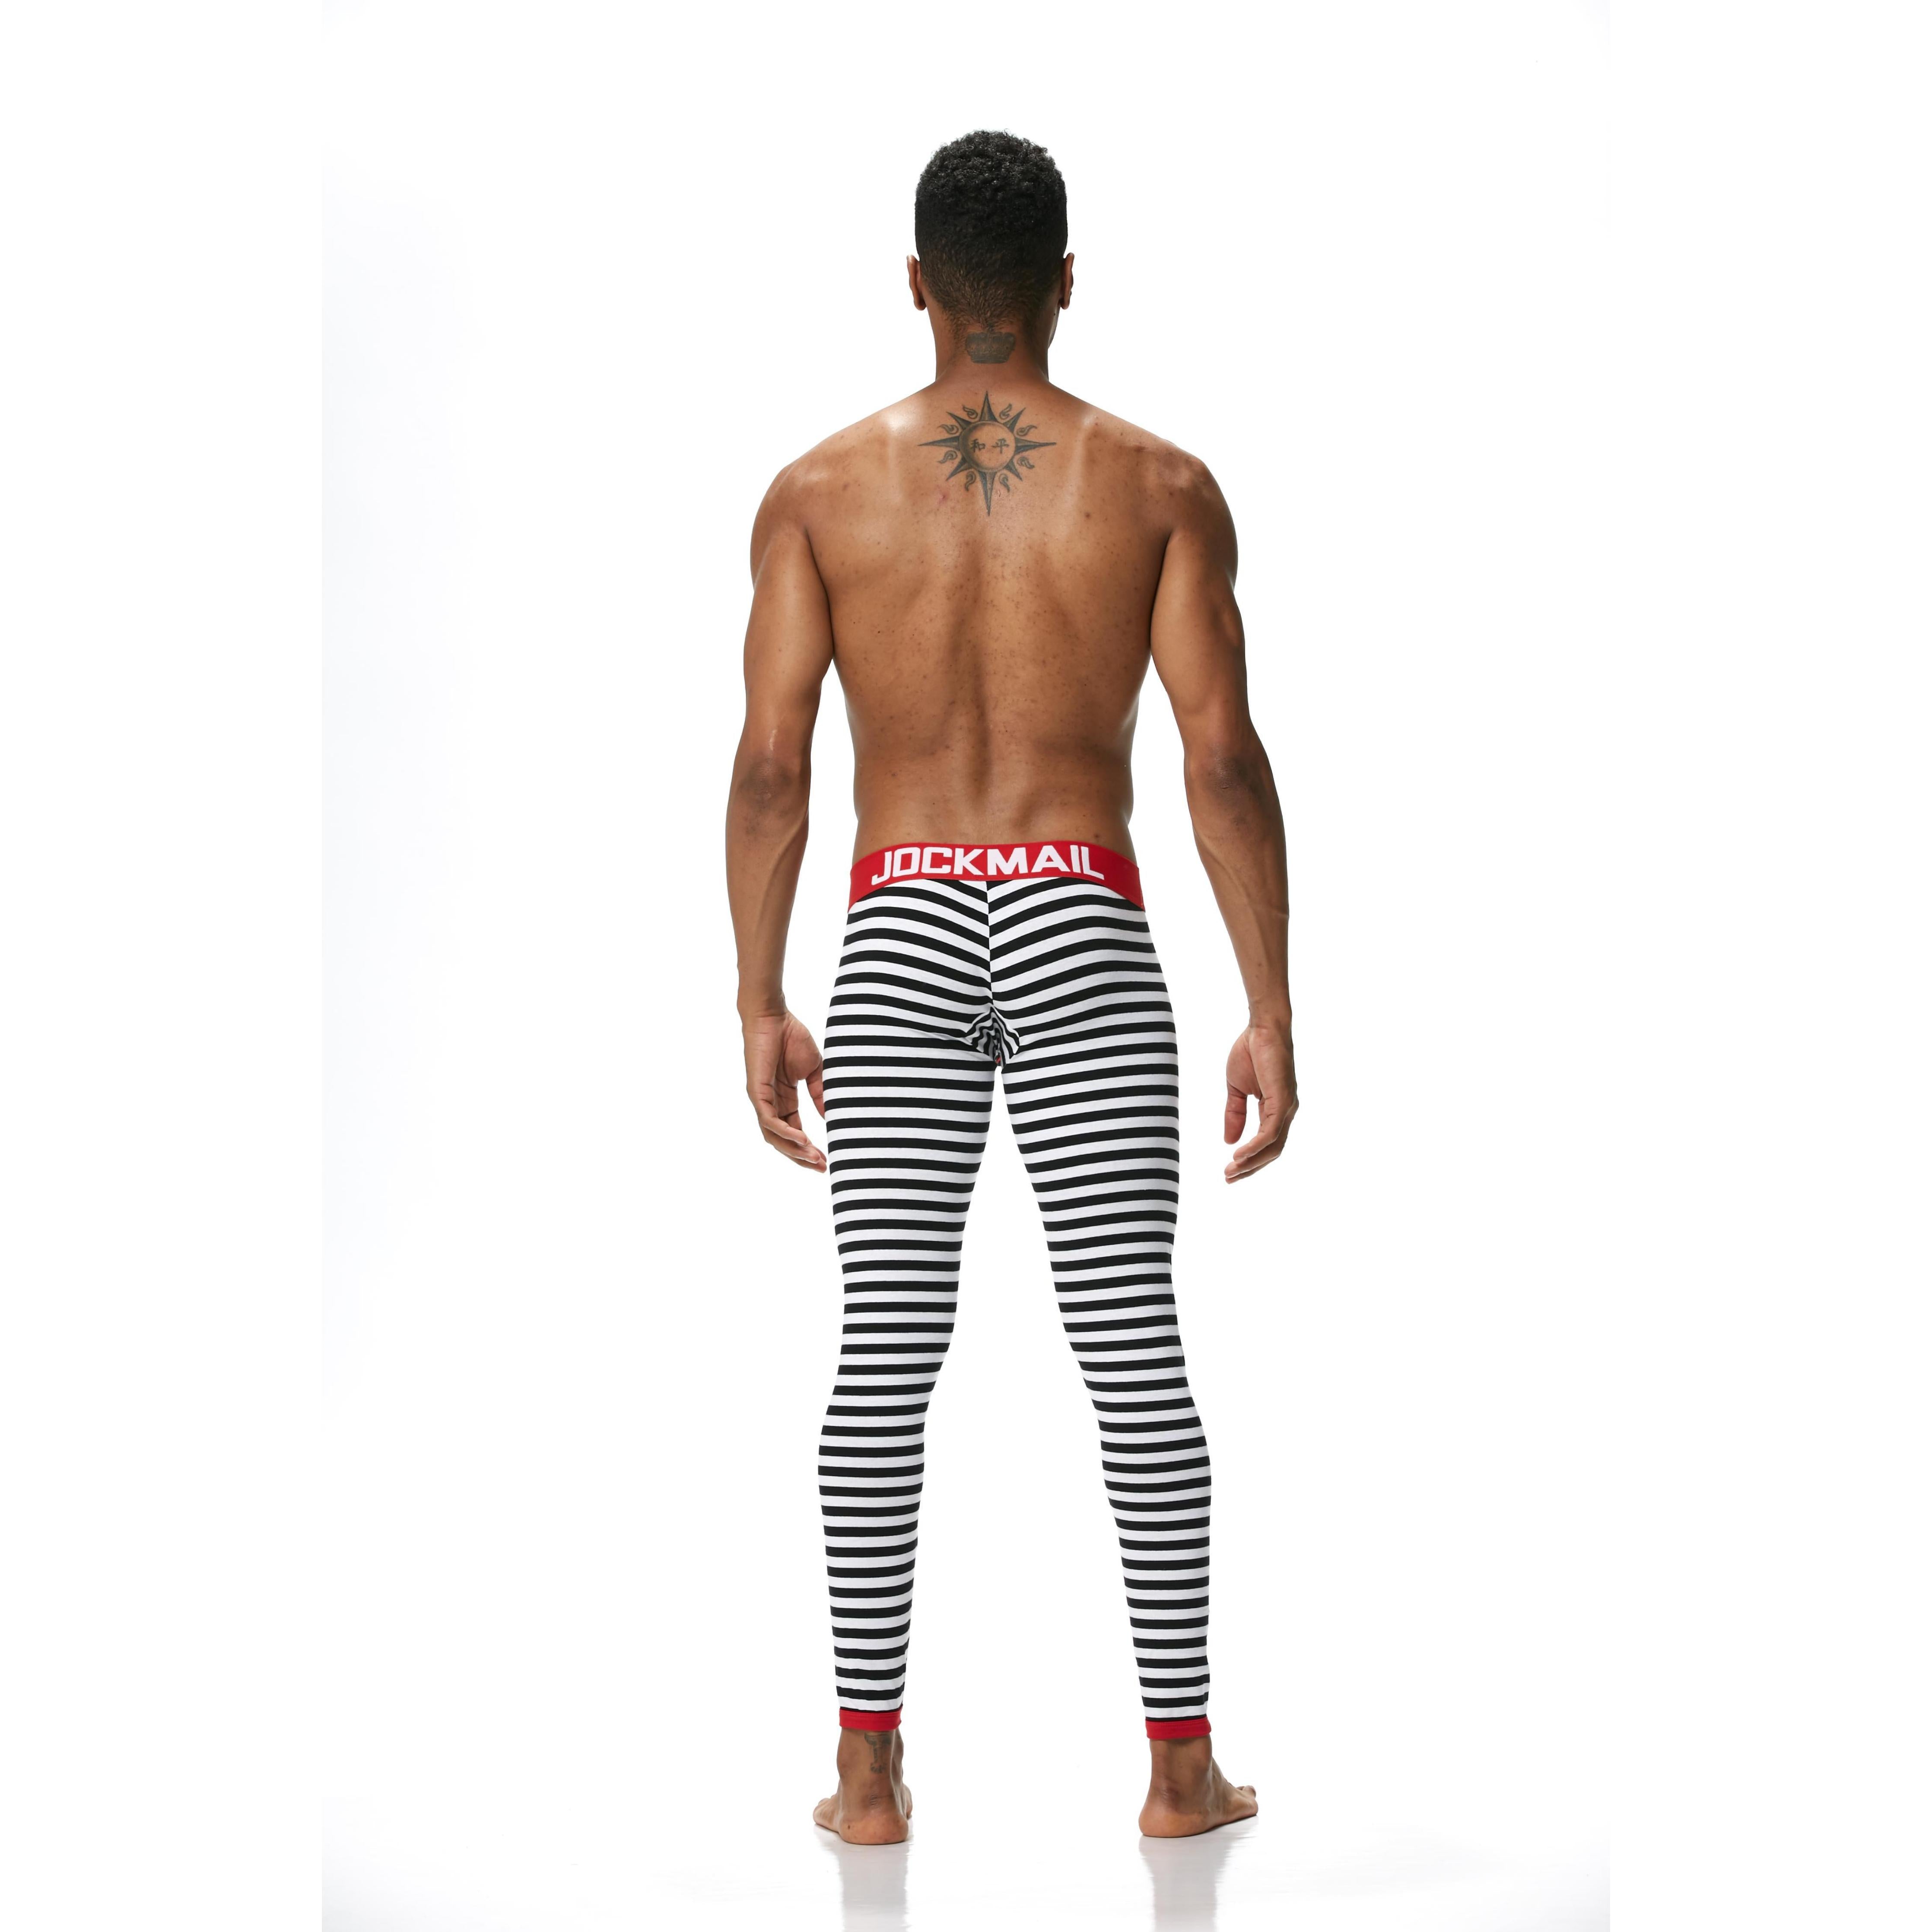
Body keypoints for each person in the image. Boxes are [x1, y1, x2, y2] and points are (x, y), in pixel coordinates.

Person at [725, 130, 1296, 1843]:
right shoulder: (1161, 487)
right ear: (1063, 281)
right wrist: (1270, 1002)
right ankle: (1178, 1770)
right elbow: (1218, 755)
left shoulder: (818, 492)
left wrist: (758, 994)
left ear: (916, 283)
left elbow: (773, 766)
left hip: (900, 926)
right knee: (1133, 1355)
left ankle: (867, 1774)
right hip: (1081, 918)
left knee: (882, 1360)